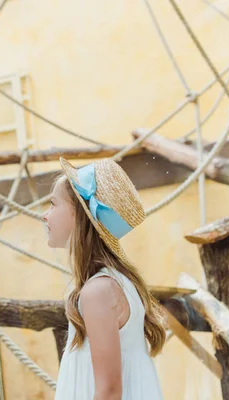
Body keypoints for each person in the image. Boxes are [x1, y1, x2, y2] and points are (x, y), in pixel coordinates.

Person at [43, 157, 167, 400]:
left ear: (79, 215)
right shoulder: (114, 283)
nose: (45, 215)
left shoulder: (98, 291)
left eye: (53, 204)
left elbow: (109, 392)